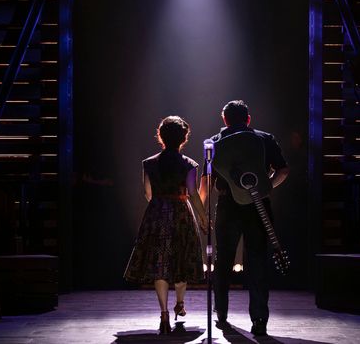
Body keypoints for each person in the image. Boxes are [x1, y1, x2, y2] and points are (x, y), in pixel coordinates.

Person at [199, 100, 289, 337]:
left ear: (224, 120)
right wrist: (263, 188)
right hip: (258, 206)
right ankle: (259, 320)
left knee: (223, 260)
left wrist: (201, 211)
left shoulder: (214, 143)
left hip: (227, 205)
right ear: (248, 119)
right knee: (257, 261)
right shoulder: (264, 139)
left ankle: (221, 312)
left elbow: (206, 181)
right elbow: (283, 170)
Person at [124, 116, 205, 334]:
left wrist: (161, 203)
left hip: (157, 213)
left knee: (160, 264)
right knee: (181, 260)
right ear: (184, 138)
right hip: (181, 214)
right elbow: (193, 193)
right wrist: (203, 217)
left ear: (161, 136)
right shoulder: (189, 164)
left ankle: (164, 314)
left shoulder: (149, 163)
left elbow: (148, 193)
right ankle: (180, 303)